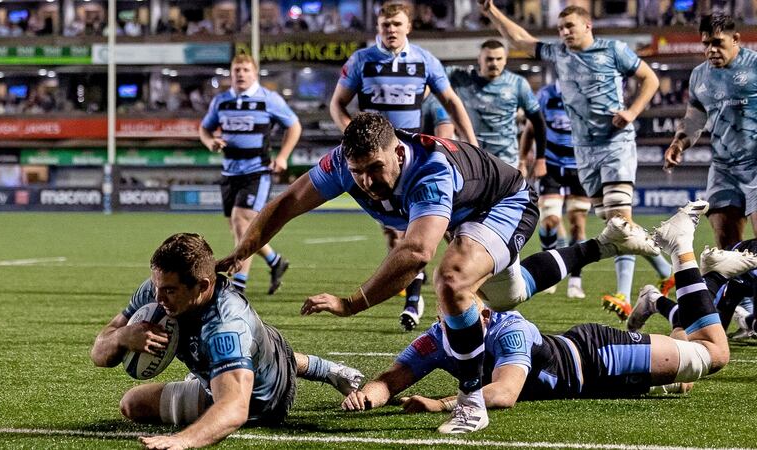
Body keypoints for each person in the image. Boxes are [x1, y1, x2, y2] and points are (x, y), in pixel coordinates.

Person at [218, 112, 660, 433]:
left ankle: (470, 401)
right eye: (359, 173)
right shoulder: (342, 165)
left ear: (396, 151)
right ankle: (604, 244)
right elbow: (288, 202)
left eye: (376, 169)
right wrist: (243, 251)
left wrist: (352, 303)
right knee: (506, 295)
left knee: (451, 280)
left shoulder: (429, 169)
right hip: (463, 217)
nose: (368, 182)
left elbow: (415, 252)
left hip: (505, 202)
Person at [341, 202, 730, 425]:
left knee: (712, 355)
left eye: (464, 305)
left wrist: (440, 403)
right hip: (593, 385)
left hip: (598, 358)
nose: (456, 315)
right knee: (684, 370)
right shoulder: (438, 337)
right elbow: (391, 380)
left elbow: (504, 393)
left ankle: (680, 244)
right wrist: (368, 397)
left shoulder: (507, 326)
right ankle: (659, 300)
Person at [482, 2, 674, 318]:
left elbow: (650, 78)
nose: (564, 32)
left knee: (618, 223)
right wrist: (492, 12)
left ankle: (625, 296)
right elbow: (520, 40)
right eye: (560, 29)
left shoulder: (613, 50)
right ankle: (667, 270)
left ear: (588, 26)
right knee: (616, 226)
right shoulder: (560, 54)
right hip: (584, 153)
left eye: (570, 26)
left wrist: (631, 112)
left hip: (615, 145)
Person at [90, 233, 364, 449]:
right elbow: (98, 353)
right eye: (156, 287)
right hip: (238, 358)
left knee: (247, 354)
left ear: (203, 286)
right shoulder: (156, 289)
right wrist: (123, 336)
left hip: (264, 402)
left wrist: (184, 439)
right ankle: (300, 363)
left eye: (170, 291)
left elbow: (234, 408)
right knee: (132, 404)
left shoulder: (226, 326)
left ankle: (325, 369)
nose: (159, 299)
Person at [329, 2, 478, 331]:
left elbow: (451, 100)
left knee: (411, 233)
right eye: (385, 25)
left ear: (408, 26)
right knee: (394, 234)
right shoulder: (361, 61)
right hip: (376, 164)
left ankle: (413, 300)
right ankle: (417, 288)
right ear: (377, 28)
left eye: (396, 24)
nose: (390, 30)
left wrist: (471, 141)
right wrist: (352, 136)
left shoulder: (424, 61)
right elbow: (337, 104)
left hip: (411, 162)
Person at [199, 54, 301, 295]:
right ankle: (275, 261)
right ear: (231, 74)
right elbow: (204, 128)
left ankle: (238, 287)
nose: (241, 74)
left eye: (245, 70)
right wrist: (210, 141)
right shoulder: (221, 101)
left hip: (257, 171)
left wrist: (284, 156)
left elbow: (294, 125)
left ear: (255, 73)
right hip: (229, 172)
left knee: (241, 220)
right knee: (240, 228)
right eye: (237, 70)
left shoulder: (269, 100)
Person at [663, 14, 757, 251]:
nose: (711, 50)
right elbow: (694, 119)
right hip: (723, 169)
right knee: (726, 243)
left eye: (718, 42)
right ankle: (736, 289)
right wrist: (678, 144)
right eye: (706, 44)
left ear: (735, 39)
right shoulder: (699, 75)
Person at [520, 80, 591, 298]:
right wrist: (524, 159)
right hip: (551, 166)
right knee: (550, 220)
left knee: (578, 226)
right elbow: (532, 128)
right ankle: (549, 270)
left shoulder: (588, 94)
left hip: (580, 167)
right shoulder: (546, 94)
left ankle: (575, 281)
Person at [448, 39, 546, 171]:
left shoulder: (517, 83)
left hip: (506, 161)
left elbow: (538, 121)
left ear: (505, 59)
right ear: (479, 59)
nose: (494, 63)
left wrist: (540, 158)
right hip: (471, 160)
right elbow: (431, 70)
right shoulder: (461, 78)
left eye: (499, 59)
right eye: (489, 59)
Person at [629, 240, 757, 340]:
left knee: (707, 337)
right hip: (736, 273)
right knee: (698, 336)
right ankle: (655, 301)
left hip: (747, 268)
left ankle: (745, 319)